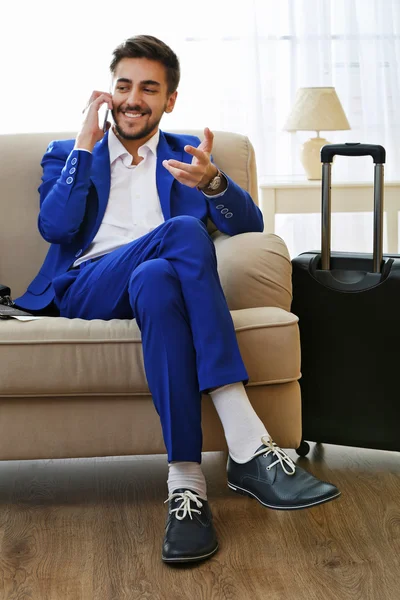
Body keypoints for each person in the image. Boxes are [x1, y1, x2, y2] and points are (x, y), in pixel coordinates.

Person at [15, 35, 340, 564]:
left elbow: (249, 227)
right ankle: (247, 440)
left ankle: (186, 486)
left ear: (170, 100)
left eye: (149, 87)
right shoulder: (71, 153)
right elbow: (55, 226)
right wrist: (83, 140)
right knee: (186, 232)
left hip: (152, 285)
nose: (132, 98)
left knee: (161, 280)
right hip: (89, 285)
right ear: (109, 94)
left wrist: (214, 182)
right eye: (123, 85)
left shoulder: (187, 155)